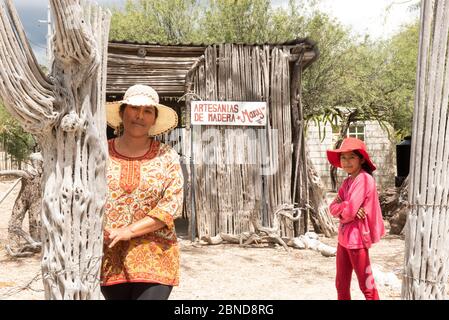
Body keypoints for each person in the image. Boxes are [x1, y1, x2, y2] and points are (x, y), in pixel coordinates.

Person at [101, 84, 184, 300]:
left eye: (147, 111)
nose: (140, 116)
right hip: (111, 255)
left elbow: (172, 204)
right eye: (134, 109)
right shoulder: (100, 153)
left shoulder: (167, 156)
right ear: (122, 112)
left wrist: (129, 231)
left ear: (154, 119)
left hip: (156, 253)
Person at [327, 137, 385, 300]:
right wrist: (346, 207)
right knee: (341, 284)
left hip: (357, 241)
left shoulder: (365, 179)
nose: (347, 162)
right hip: (343, 240)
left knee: (366, 286)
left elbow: (350, 211)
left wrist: (345, 208)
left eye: (351, 157)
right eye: (343, 158)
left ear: (361, 159)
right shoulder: (347, 182)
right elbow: (332, 208)